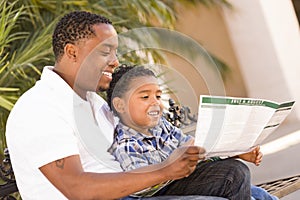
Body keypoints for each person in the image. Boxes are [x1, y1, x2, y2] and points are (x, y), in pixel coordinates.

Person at [5, 10, 244, 200]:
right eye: (105, 52)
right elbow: (77, 189)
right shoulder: (38, 109)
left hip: (134, 194)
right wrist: (164, 171)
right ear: (72, 52)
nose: (115, 61)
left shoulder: (93, 102)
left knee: (233, 174)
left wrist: (225, 149)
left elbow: (153, 145)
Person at [106, 65, 278, 200]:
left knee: (250, 185)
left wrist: (236, 151)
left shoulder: (161, 126)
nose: (155, 103)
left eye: (158, 97)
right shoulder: (126, 143)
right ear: (120, 105)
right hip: (163, 193)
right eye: (145, 97)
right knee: (235, 176)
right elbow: (142, 187)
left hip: (184, 180)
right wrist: (172, 163)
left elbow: (192, 146)